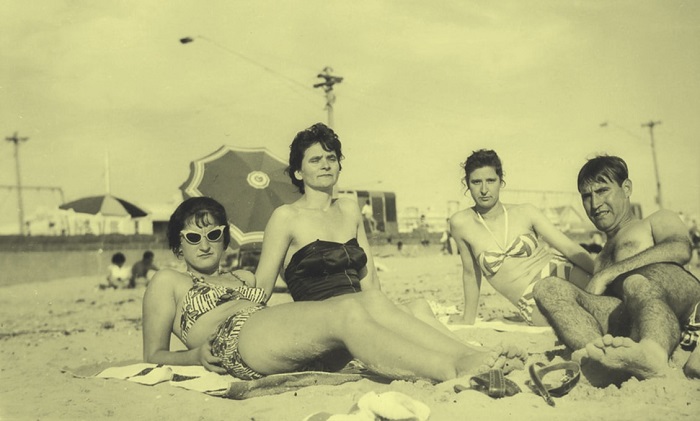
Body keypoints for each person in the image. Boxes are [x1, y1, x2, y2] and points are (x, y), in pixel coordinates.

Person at [142, 196, 524, 382]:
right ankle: (451, 369)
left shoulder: (243, 279)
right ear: (178, 244)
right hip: (234, 339)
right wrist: (193, 358)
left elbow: (297, 283)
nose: (204, 243)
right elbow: (152, 353)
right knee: (345, 312)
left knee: (367, 299)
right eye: (193, 236)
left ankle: (470, 354)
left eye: (214, 234)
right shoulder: (167, 281)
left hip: (269, 331)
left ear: (226, 239)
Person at [253, 123, 450, 335]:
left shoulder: (349, 209)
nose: (325, 165)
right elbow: (262, 286)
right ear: (299, 172)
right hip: (323, 323)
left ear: (339, 165)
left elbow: (370, 279)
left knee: (419, 306)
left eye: (331, 158)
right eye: (315, 160)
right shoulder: (286, 217)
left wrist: (384, 317)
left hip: (361, 312)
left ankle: (470, 353)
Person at [533, 155, 700, 381]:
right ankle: (600, 359)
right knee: (547, 288)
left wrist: (609, 274)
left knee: (635, 282)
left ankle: (654, 355)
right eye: (586, 196)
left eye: (602, 191)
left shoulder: (654, 221)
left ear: (627, 188)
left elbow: (680, 249)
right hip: (633, 319)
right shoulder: (601, 257)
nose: (595, 203)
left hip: (683, 305)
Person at [449, 149, 594, 326]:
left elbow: (569, 249)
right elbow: (471, 274)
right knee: (575, 322)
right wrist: (467, 319)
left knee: (609, 303)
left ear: (501, 181)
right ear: (468, 184)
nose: (484, 190)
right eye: (476, 182)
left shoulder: (525, 211)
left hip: (559, 271)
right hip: (529, 299)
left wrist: (602, 275)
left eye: (491, 181)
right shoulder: (461, 223)